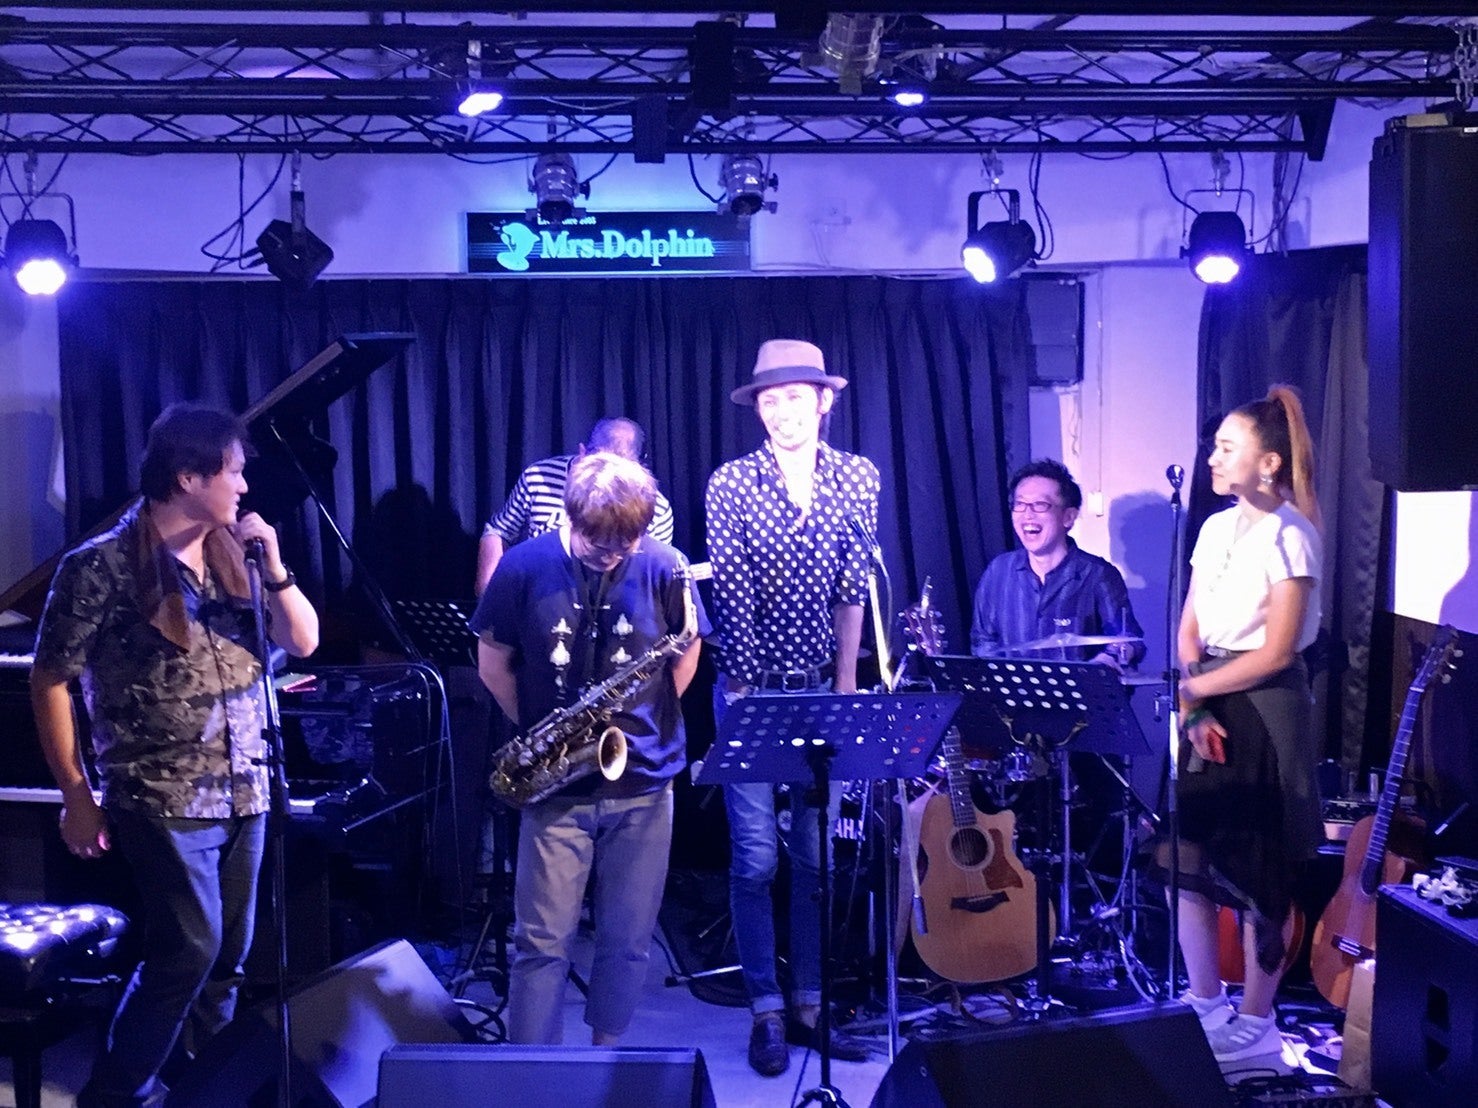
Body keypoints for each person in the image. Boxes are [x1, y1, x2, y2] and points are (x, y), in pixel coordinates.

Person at [30, 403, 320, 1108]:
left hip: (246, 788)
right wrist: (76, 794)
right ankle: (116, 1093)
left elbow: (304, 642)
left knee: (227, 962)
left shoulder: (236, 556)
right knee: (188, 950)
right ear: (189, 477)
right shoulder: (100, 566)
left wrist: (276, 568)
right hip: (161, 793)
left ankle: (201, 1093)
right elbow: (50, 679)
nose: (244, 487)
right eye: (234, 472)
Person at [470, 451, 708, 1045]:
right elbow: (493, 663)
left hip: (645, 780)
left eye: (627, 544)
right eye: (601, 546)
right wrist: (550, 742)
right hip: (557, 787)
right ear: (572, 518)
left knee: (628, 940)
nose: (615, 556)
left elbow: (686, 649)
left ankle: (605, 1065)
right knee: (541, 943)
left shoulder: (664, 564)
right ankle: (533, 1074)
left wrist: (648, 717)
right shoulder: (523, 566)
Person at [704, 338, 880, 1077]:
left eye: (795, 398)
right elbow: (732, 592)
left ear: (824, 401)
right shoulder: (731, 482)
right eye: (770, 400)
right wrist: (748, 696)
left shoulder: (857, 476)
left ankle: (808, 1004)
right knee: (755, 857)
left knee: (814, 856)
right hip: (750, 686)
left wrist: (844, 687)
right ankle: (766, 1009)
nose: (782, 412)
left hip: (820, 686)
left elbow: (852, 586)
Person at [1164, 385, 1323, 1066]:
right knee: (1186, 859)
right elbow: (1190, 629)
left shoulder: (1292, 534)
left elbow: (1279, 650)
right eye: (1214, 447)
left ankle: (1257, 1022)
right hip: (1209, 698)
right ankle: (1205, 1003)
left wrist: (1195, 690)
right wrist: (1195, 704)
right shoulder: (1214, 529)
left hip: (1265, 705)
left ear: (1269, 462)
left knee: (1262, 869)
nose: (1212, 458)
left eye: (1226, 448)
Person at [969, 458, 1144, 668]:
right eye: (1020, 504)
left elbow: (1128, 638)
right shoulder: (999, 571)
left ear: (1068, 517)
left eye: (1040, 505)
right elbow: (982, 640)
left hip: (1077, 688)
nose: (1027, 515)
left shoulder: (1097, 574)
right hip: (1013, 688)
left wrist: (1109, 659)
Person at [474, 417, 676, 596]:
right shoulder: (539, 478)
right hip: (537, 598)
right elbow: (499, 531)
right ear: (583, 452)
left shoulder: (656, 508)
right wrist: (490, 592)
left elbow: (652, 575)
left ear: (639, 467)